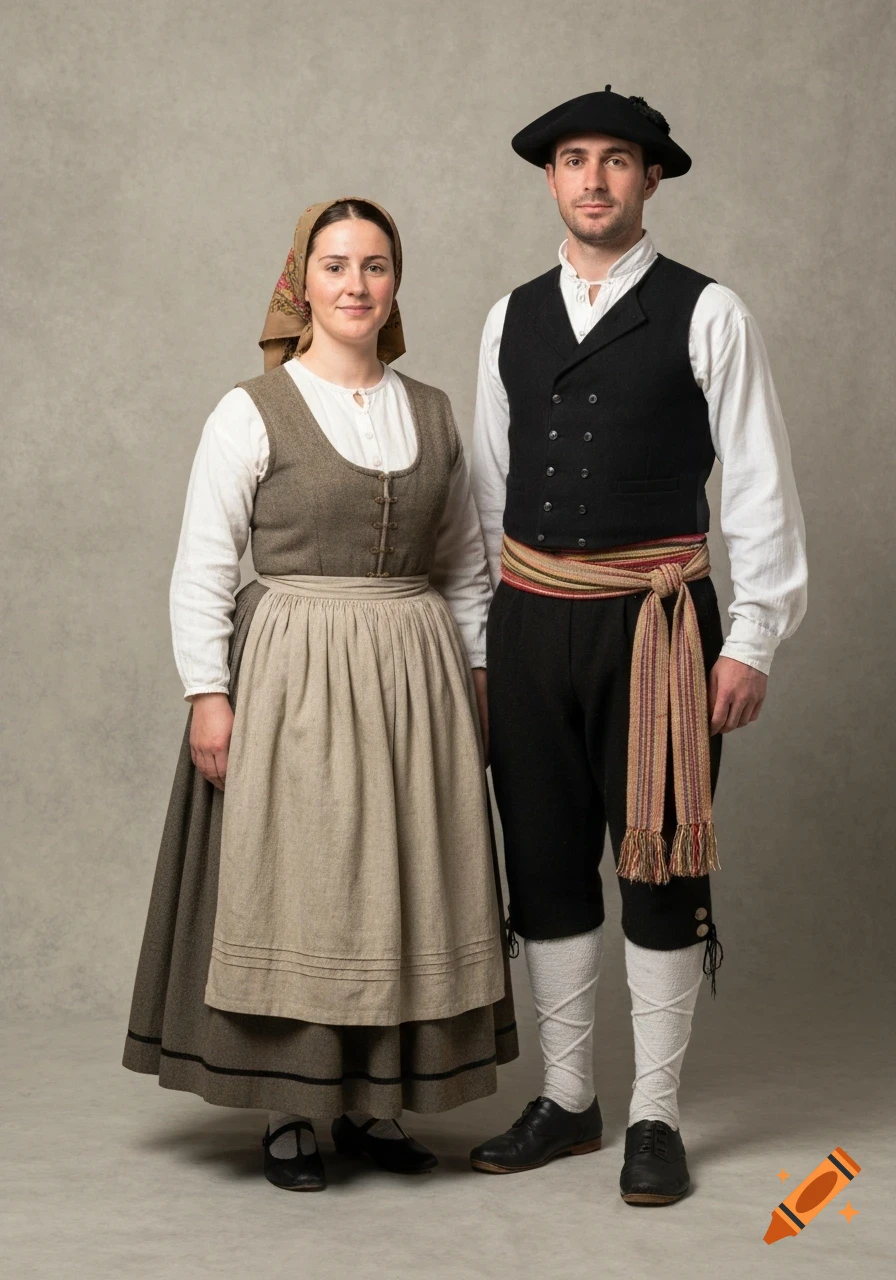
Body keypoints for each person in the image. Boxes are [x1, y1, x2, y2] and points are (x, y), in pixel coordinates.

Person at [123, 197, 518, 1192]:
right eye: (335, 264)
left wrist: (474, 679)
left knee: (403, 880)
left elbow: (466, 566)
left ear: (394, 284)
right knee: (303, 877)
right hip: (295, 671)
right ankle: (294, 1110)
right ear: (301, 282)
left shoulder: (428, 409)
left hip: (416, 679)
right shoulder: (250, 410)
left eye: (374, 265)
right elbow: (204, 565)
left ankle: (379, 1102)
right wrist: (205, 692)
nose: (355, 284)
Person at [468, 89, 807, 1203]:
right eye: (574, 160)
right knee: (547, 860)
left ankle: (653, 1114)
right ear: (551, 179)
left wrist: (749, 634)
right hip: (526, 618)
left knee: (659, 863)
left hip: (658, 624)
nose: (595, 180)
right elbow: (485, 492)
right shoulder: (506, 315)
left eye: (617, 161)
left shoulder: (708, 312)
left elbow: (755, 481)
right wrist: (481, 642)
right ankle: (568, 1098)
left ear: (650, 179)